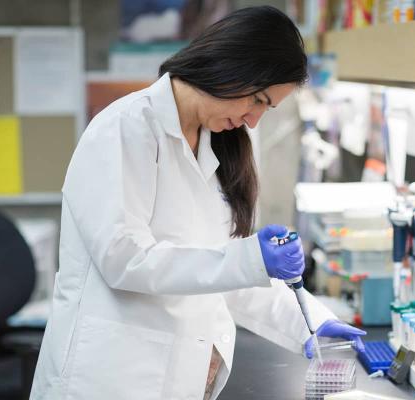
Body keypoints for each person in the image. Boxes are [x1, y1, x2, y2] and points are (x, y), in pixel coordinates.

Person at [30, 6, 365, 400]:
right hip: (111, 377)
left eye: (266, 108)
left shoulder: (220, 145)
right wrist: (250, 259)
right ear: (231, 65)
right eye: (257, 100)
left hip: (178, 378)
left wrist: (311, 322)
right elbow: (123, 259)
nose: (253, 120)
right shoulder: (124, 129)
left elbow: (221, 273)